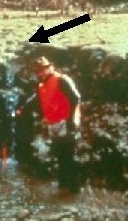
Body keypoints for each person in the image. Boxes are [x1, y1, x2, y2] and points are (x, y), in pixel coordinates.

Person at [16, 56, 82, 192]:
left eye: (43, 70)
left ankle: (74, 188)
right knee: (60, 154)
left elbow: (75, 99)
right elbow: (35, 101)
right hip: (54, 124)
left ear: (50, 67)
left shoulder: (62, 80)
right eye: (37, 72)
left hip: (66, 123)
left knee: (68, 156)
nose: (40, 73)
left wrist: (70, 119)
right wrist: (21, 110)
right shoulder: (42, 86)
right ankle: (64, 185)